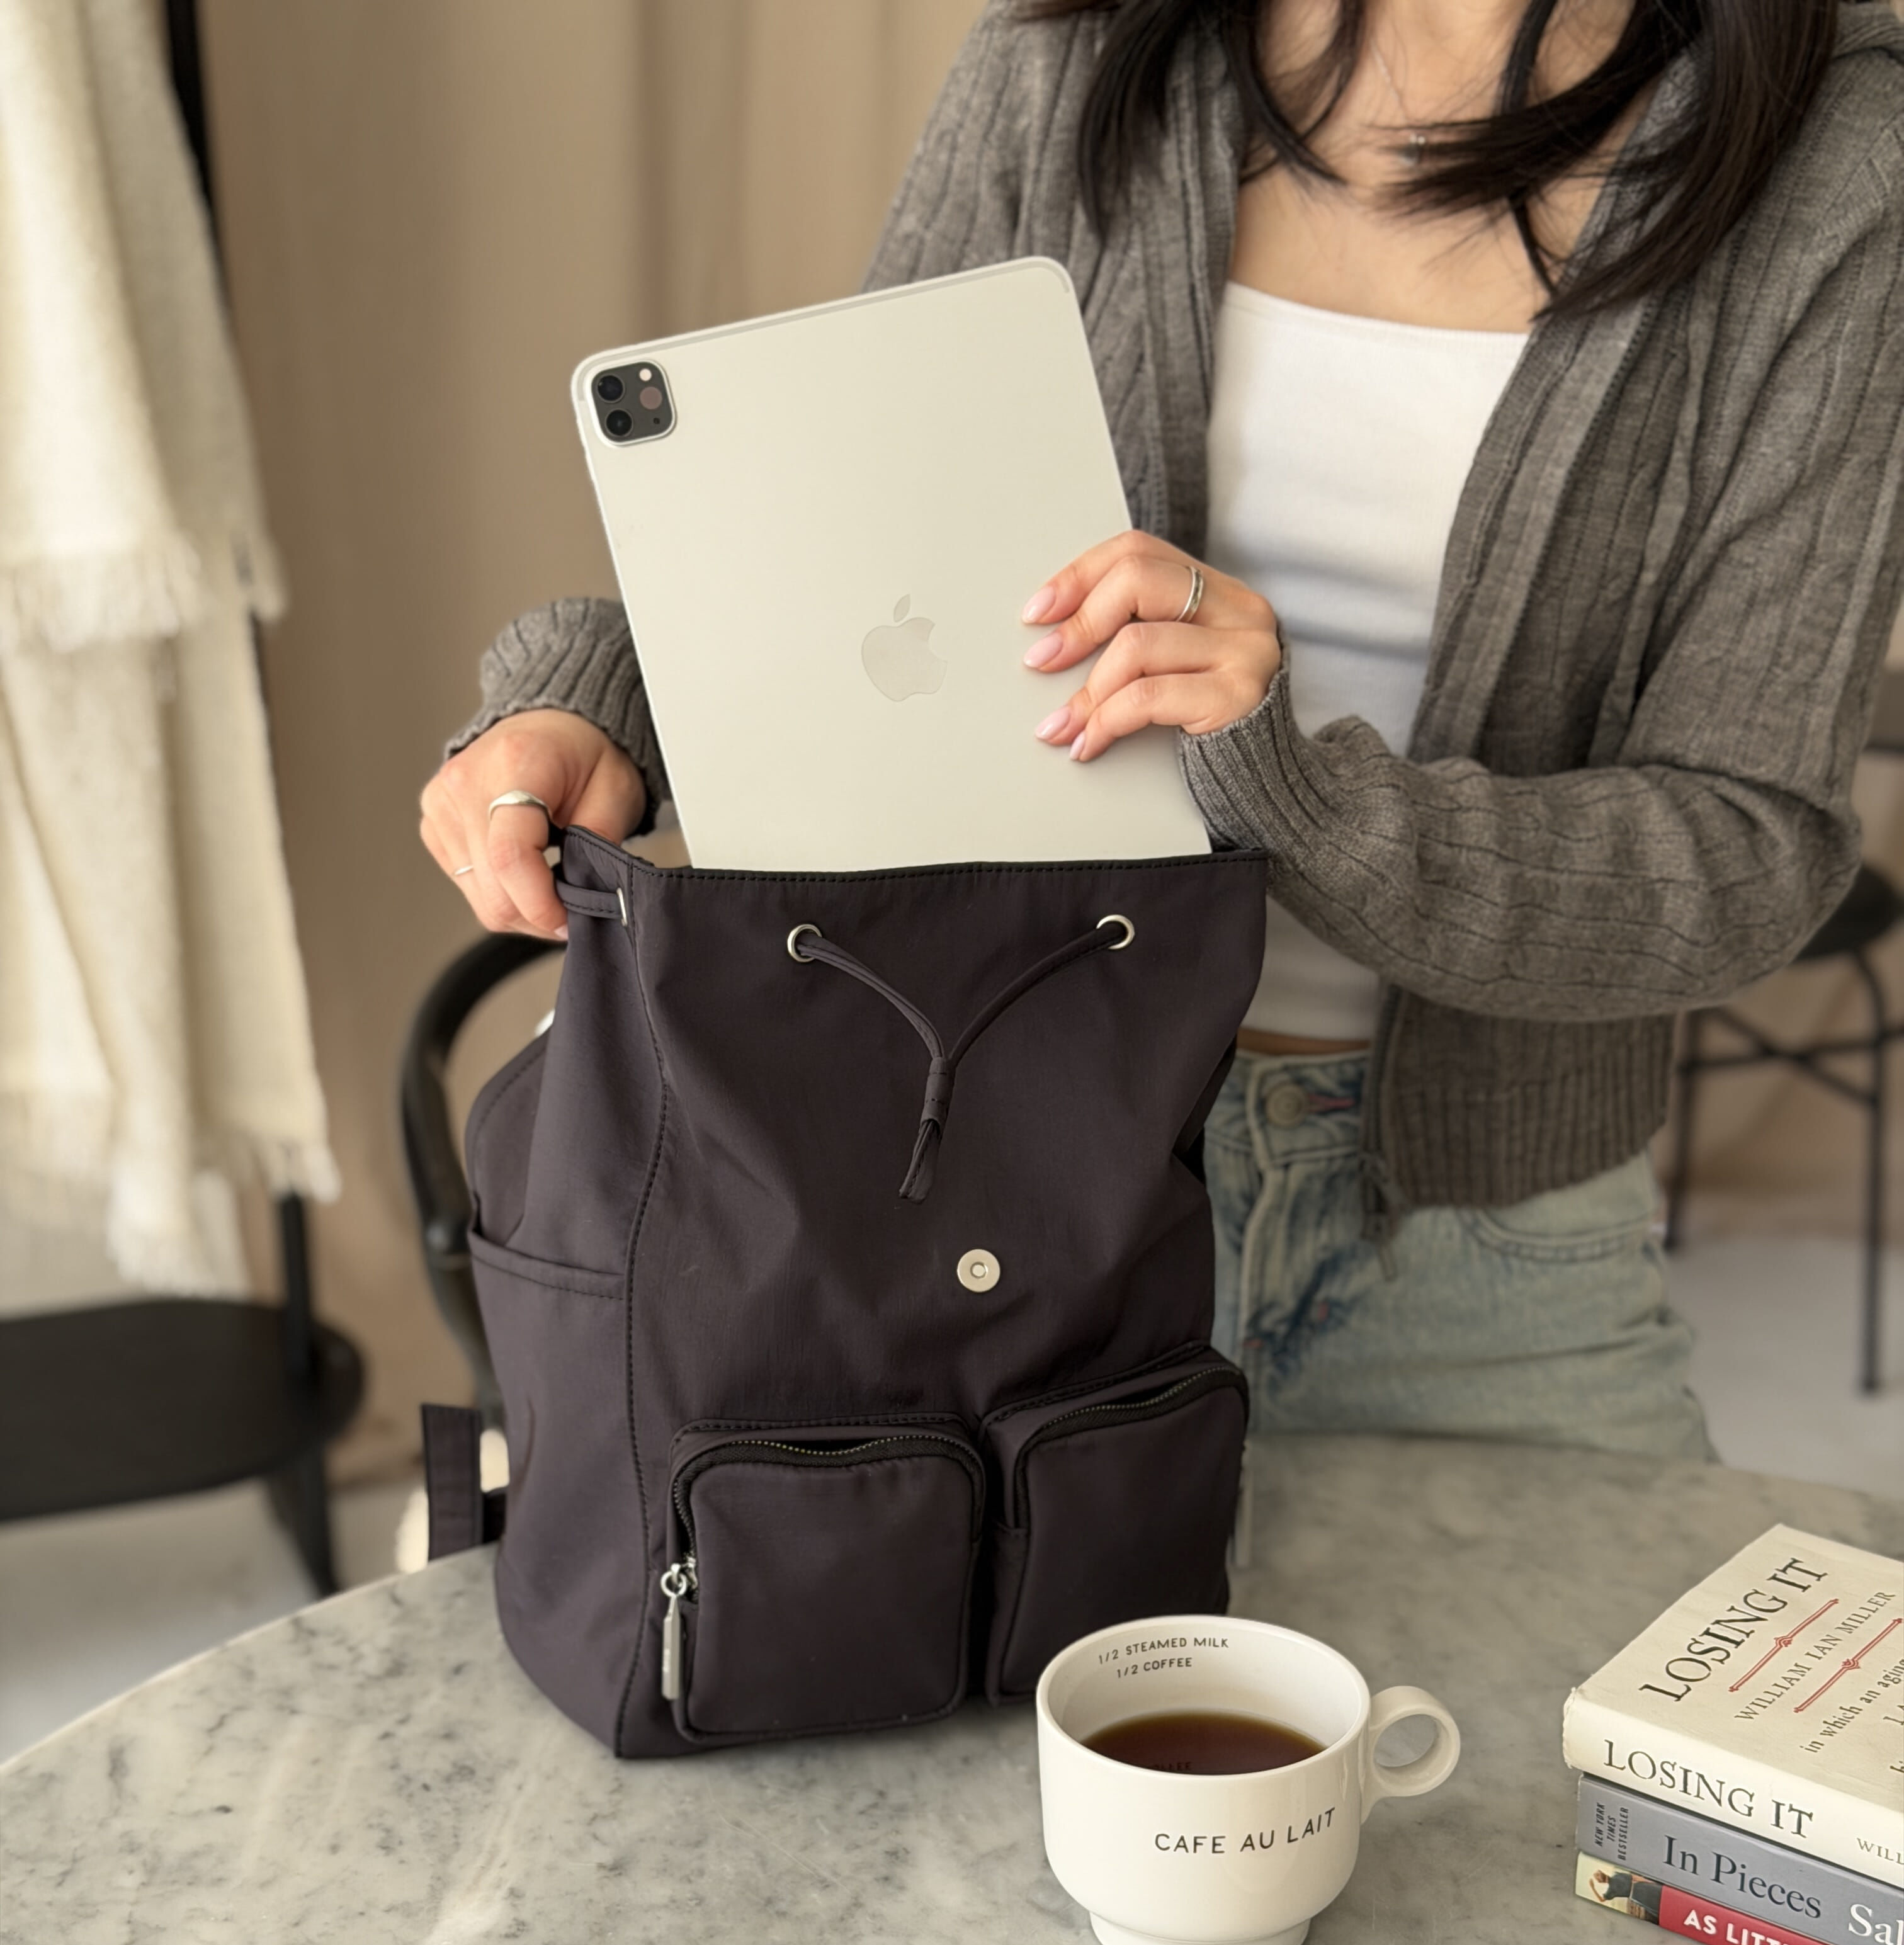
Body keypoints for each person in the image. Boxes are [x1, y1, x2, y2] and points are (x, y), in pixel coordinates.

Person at [420, 0, 1904, 1460]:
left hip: (1482, 1257)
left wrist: (1298, 800)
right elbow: (868, 582)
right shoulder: (1074, 51)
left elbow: (1748, 852)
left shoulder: (1842, 146)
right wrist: (595, 705)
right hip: (979, 1180)